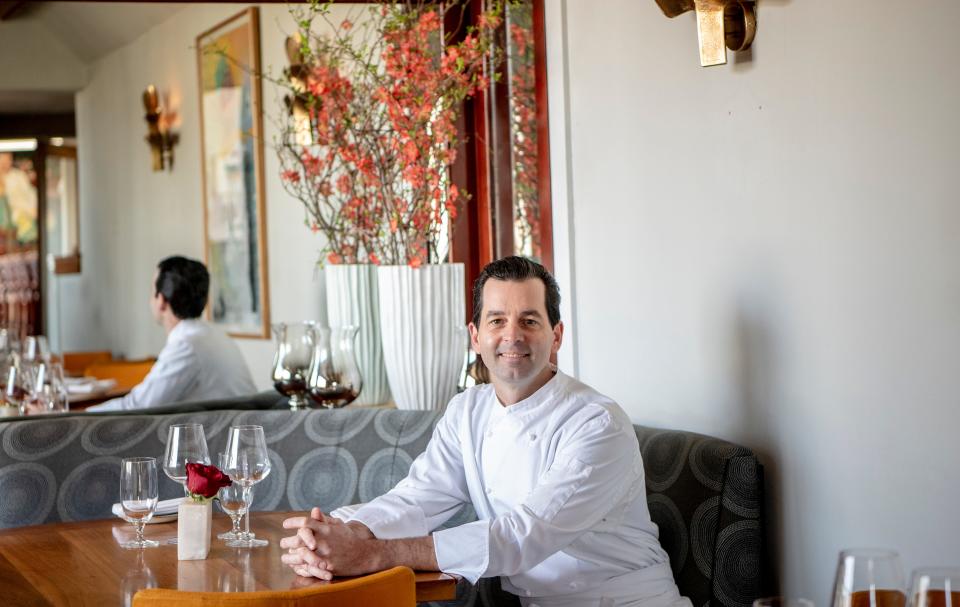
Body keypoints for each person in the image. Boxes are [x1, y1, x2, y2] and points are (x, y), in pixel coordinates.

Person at [279, 256, 691, 607]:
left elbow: (521, 537)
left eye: (530, 320)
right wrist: (339, 534)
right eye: (497, 320)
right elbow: (418, 500)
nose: (512, 335)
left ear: (557, 336)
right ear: (476, 337)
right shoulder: (467, 410)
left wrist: (370, 556)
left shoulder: (597, 423)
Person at [87, 256, 256, 412]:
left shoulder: (187, 346)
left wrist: (73, 417)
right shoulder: (216, 335)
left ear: (161, 301)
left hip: (219, 440)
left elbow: (139, 407)